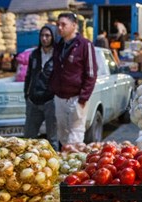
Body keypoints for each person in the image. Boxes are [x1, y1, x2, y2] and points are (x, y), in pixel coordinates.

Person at [50, 13, 98, 145]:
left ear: (74, 25)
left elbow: (91, 74)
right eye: (58, 24)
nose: (60, 27)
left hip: (76, 98)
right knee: (62, 135)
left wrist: (83, 99)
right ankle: (66, 163)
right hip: (59, 97)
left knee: (75, 136)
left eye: (63, 24)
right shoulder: (59, 46)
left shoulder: (84, 45)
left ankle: (75, 163)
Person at [23, 24, 59, 150]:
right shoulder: (34, 54)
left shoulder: (58, 56)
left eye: (47, 36)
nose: (44, 38)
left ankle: (55, 166)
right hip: (33, 102)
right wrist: (27, 96)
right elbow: (28, 76)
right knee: (28, 139)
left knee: (53, 140)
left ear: (53, 37)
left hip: (51, 102)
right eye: (42, 35)